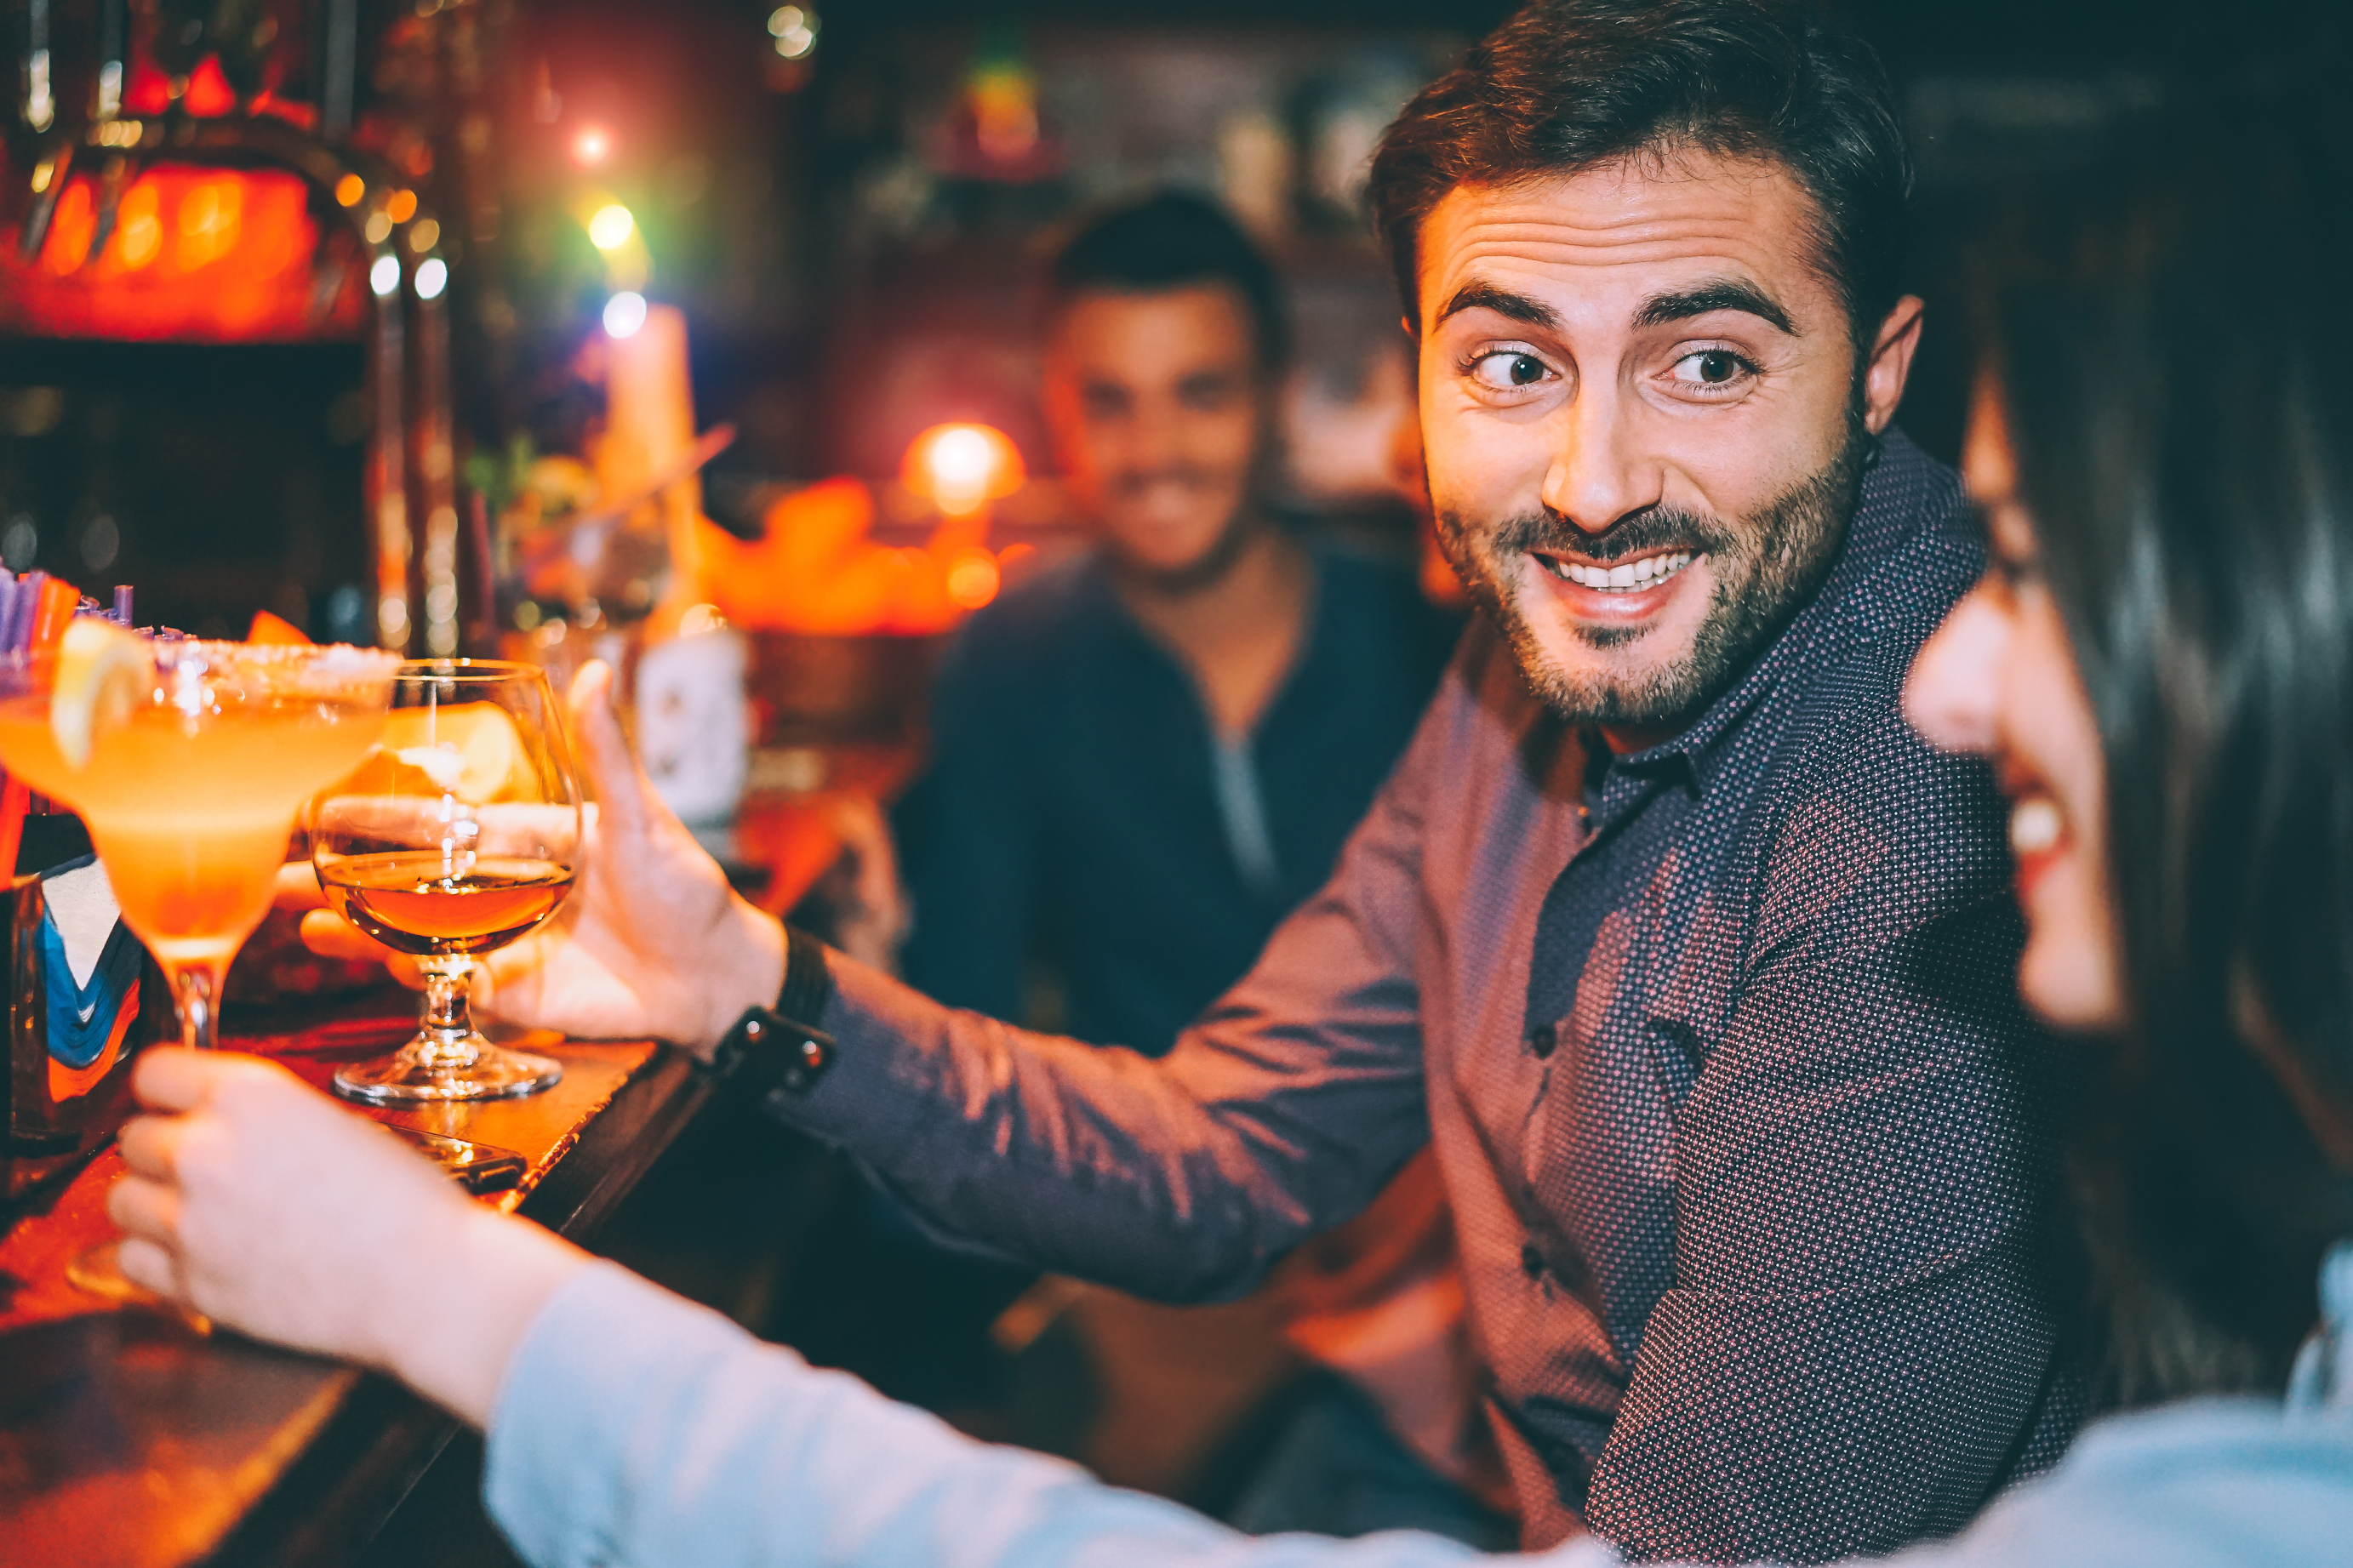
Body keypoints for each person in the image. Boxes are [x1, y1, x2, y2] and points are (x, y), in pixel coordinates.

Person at [111, 77, 2353, 1567]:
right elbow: (1221, 1144)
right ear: (1405, 385)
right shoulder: (1515, 667)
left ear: (1871, 376)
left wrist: (468, 1301)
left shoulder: (1908, 834)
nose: (1583, 482)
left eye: (1699, 359)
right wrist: (747, 982)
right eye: (1504, 365)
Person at [830, 189, 1490, 1542]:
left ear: (1273, 399)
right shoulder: (1009, 660)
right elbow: (972, 1035)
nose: (1153, 452)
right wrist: (868, 983)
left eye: (1199, 393)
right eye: (1108, 401)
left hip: (1442, 1260)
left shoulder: (1428, 636)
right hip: (1162, 1249)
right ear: (1053, 410)